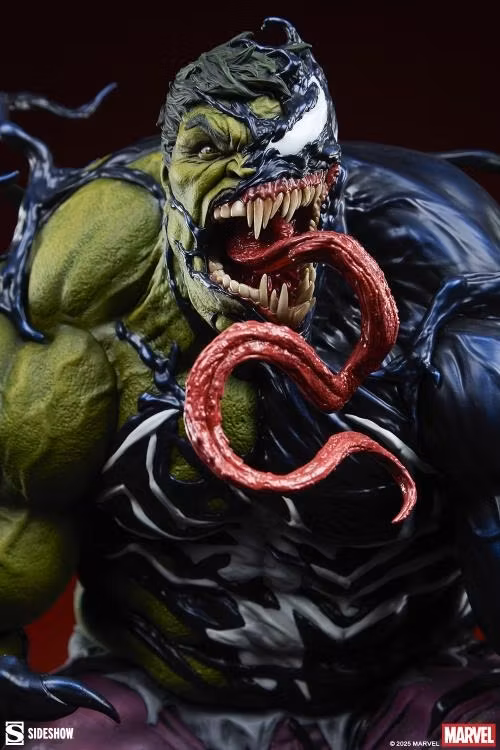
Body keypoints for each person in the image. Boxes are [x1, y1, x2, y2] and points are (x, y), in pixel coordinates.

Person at [1, 18, 500, 749]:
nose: (256, 173)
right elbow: (13, 524)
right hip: (154, 700)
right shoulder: (83, 298)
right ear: (170, 174)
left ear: (330, 171)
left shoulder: (444, 276)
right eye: (212, 150)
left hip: (411, 701)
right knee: (31, 738)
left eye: (292, 151)